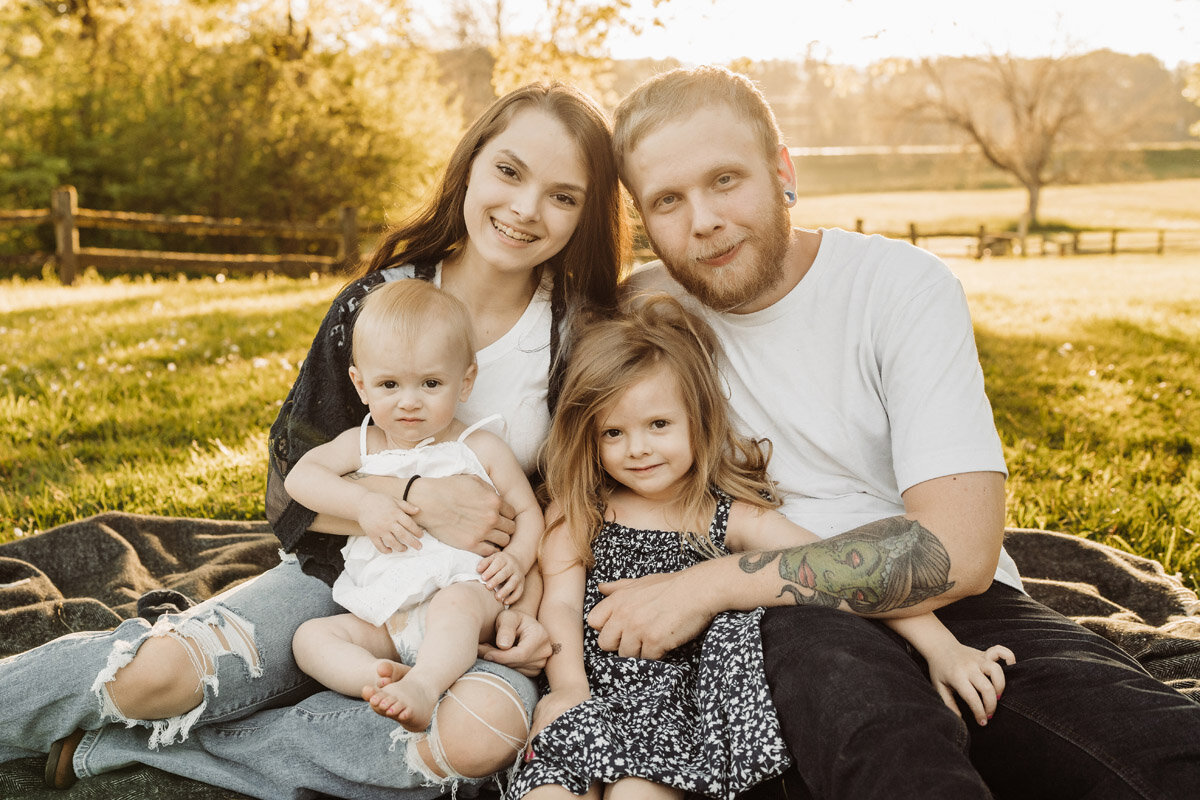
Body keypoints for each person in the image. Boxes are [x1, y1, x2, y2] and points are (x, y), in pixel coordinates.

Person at [0, 81, 628, 799]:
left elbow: (578, 498)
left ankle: (128, 755)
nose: (524, 209)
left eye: (562, 195)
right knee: (158, 675)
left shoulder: (578, 335)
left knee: (478, 737)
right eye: (509, 172)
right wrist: (415, 499)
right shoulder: (376, 302)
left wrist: (529, 601)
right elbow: (290, 486)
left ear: (586, 213)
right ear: (471, 164)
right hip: (341, 575)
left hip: (478, 604)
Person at [592, 65, 1200, 799]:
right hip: (786, 621)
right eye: (667, 201)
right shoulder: (644, 318)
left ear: (783, 171)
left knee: (1151, 750)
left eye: (726, 180)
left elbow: (957, 550)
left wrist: (709, 585)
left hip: (954, 606)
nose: (703, 221)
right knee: (893, 762)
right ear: (642, 220)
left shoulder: (900, 286)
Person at [509, 295, 1014, 800]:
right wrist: (570, 687)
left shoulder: (726, 515)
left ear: (698, 418)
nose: (637, 448)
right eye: (613, 433)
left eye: (658, 425)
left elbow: (832, 570)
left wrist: (943, 647)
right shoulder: (578, 509)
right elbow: (562, 602)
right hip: (585, 690)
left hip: (673, 715)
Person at [286, 279, 544, 734]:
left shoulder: (479, 445)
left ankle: (425, 685)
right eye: (389, 384)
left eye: (430, 383)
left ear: (465, 381)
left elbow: (528, 512)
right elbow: (300, 478)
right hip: (386, 613)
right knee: (312, 638)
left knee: (455, 606)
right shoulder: (361, 443)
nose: (409, 401)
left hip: (465, 593)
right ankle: (381, 680)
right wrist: (365, 502)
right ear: (360, 385)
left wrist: (517, 559)